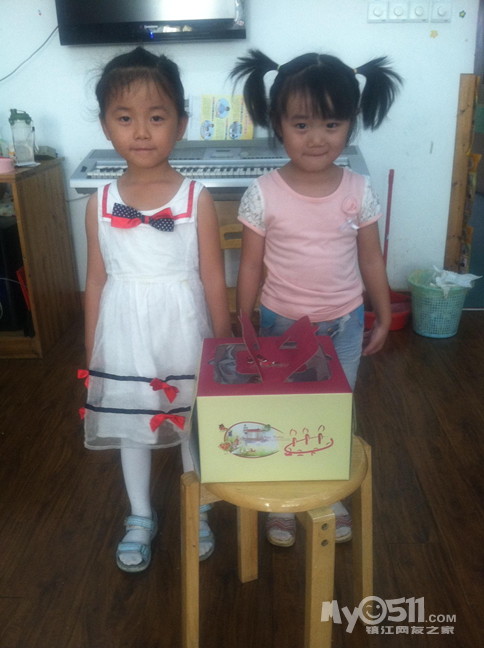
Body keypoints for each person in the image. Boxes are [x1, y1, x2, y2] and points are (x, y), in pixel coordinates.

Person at [230, 49, 402, 547]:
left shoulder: (359, 189)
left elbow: (371, 260)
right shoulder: (263, 192)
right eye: (301, 124)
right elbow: (251, 265)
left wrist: (382, 315)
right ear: (277, 122)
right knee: (284, 407)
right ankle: (283, 499)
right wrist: (244, 321)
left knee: (334, 407)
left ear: (351, 122)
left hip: (345, 323)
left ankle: (326, 489)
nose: (317, 138)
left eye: (332, 123)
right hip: (281, 324)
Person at [82, 47, 232, 571]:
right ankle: (140, 514)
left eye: (157, 117)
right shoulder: (99, 203)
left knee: (191, 421)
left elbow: (213, 278)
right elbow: (96, 281)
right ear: (106, 126)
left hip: (184, 331)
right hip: (125, 334)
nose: (141, 131)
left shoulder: (196, 199)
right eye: (125, 118)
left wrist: (222, 348)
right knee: (133, 424)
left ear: (181, 124)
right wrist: (92, 350)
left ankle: (199, 507)